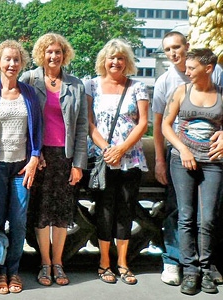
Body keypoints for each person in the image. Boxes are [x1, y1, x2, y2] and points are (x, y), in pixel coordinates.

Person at [152, 31, 223, 286]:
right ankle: (179, 263)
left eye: (177, 47)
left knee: (209, 216)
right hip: (180, 157)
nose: (173, 53)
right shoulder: (167, 83)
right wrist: (163, 159)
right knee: (180, 212)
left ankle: (207, 265)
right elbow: (160, 124)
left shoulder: (218, 77)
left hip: (213, 160)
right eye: (167, 49)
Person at [0, 40, 42, 295]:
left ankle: (14, 270)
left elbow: (37, 128)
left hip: (22, 167)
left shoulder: (29, 93)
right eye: (7, 59)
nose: (12, 64)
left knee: (20, 220)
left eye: (16, 60)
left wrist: (35, 156)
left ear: (21, 63)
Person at [19, 33, 87, 287]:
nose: (53, 56)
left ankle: (58, 262)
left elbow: (81, 127)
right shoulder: (29, 79)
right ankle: (44, 263)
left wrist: (79, 163)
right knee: (40, 212)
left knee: (61, 214)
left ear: (64, 54)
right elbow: (22, 120)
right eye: (49, 52)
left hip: (65, 158)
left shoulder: (76, 85)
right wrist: (34, 153)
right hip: (39, 156)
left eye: (58, 52)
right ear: (41, 54)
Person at [84, 39, 148, 286]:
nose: (116, 62)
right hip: (103, 158)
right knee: (105, 209)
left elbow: (143, 123)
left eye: (120, 58)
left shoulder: (137, 86)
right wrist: (108, 149)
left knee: (126, 209)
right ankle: (103, 262)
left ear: (127, 61)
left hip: (130, 158)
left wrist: (122, 148)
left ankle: (122, 262)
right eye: (111, 58)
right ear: (104, 60)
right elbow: (90, 123)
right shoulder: (92, 86)